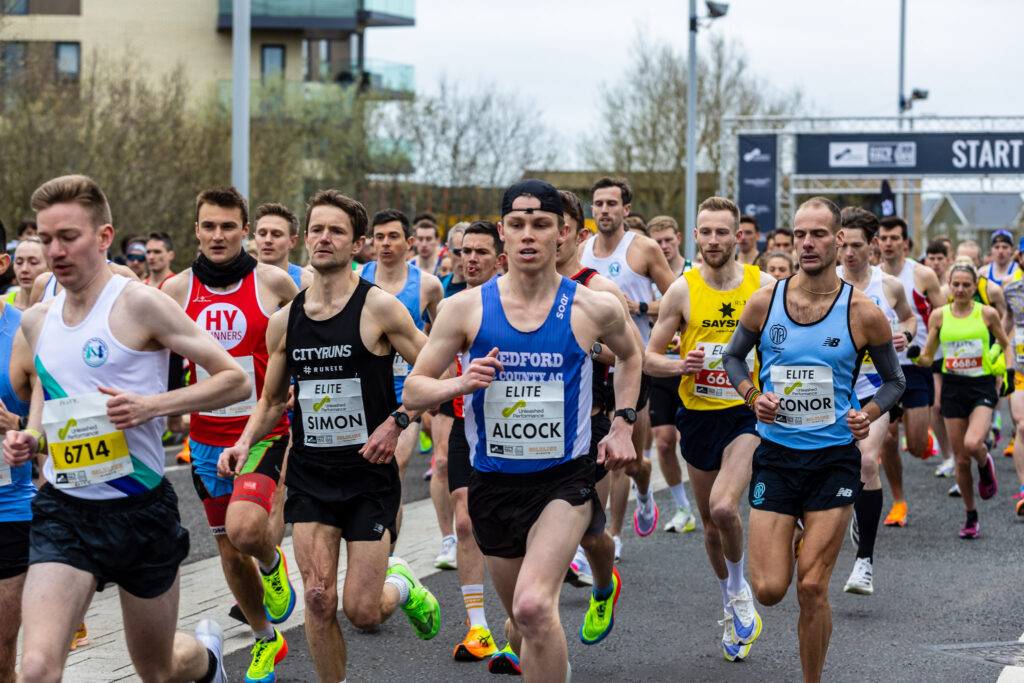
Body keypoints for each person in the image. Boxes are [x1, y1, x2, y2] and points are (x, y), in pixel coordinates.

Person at [4, 174, 251, 683]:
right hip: (64, 512)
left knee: (157, 670)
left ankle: (207, 660)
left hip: (140, 511)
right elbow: (51, 397)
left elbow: (234, 379)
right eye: (47, 238)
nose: (55, 250)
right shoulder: (36, 320)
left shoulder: (140, 303)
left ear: (102, 236)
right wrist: (31, 440)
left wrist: (152, 406)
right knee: (36, 669)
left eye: (68, 236)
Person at [403, 179, 642, 682]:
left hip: (564, 480)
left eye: (541, 224)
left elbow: (631, 355)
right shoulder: (464, 309)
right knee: (520, 623)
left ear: (562, 235)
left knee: (534, 608)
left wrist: (622, 424)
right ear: (503, 235)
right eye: (517, 224)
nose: (528, 234)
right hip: (494, 484)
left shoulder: (592, 307)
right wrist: (461, 383)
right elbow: (414, 391)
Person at [217, 189, 440, 682]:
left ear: (357, 242)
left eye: (336, 230)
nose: (323, 237)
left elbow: (434, 372)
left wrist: (398, 420)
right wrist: (242, 443)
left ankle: (400, 585)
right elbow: (272, 400)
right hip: (313, 474)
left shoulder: (380, 309)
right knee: (318, 599)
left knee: (362, 610)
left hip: (369, 475)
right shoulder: (285, 321)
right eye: (317, 228)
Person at [722, 196, 905, 683]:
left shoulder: (863, 313)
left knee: (811, 588)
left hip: (832, 462)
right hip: (778, 457)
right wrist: (751, 395)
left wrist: (868, 415)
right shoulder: (766, 301)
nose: (807, 242)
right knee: (768, 589)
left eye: (819, 234)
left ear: (839, 240)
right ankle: (798, 534)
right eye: (800, 233)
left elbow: (894, 382)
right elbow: (733, 358)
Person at [161, 186, 300, 683]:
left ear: (245, 229)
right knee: (227, 549)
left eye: (228, 226)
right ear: (196, 230)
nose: (218, 235)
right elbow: (158, 358)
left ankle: (271, 559)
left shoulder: (275, 281)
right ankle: (267, 638)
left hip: (263, 427)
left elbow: (309, 337)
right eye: (208, 226)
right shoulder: (175, 291)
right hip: (203, 438)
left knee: (246, 531)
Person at [647, 196, 775, 661]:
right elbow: (648, 356)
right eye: (707, 231)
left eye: (724, 231)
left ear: (739, 235)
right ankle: (730, 604)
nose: (715, 240)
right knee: (709, 525)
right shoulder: (682, 290)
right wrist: (680, 364)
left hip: (747, 413)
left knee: (725, 507)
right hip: (698, 413)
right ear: (695, 235)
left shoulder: (765, 286)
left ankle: (741, 594)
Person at [555, 189, 638, 648]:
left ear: (578, 234)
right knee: (533, 545)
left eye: (560, 226)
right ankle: (519, 632)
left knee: (590, 536)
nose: (550, 235)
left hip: (589, 427)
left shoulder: (599, 291)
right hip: (530, 436)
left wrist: (581, 343)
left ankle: (604, 587)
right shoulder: (516, 284)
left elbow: (629, 355)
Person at [581, 176, 675, 556]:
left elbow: (675, 299)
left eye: (611, 203)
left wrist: (640, 310)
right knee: (608, 456)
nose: (604, 210)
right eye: (599, 203)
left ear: (626, 209)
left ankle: (624, 517)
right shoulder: (581, 249)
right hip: (590, 364)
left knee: (629, 461)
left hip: (631, 362)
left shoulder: (644, 249)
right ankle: (609, 535)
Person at [836, 207, 916, 595]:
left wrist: (905, 336)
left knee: (868, 459)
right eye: (843, 245)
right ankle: (852, 511)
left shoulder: (889, 285)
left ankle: (864, 561)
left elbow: (909, 318)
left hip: (874, 387)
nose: (849, 253)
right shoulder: (822, 282)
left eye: (856, 245)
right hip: (830, 389)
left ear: (873, 246)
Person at [437, 219, 505, 662]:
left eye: (481, 252)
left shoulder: (521, 302)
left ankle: (526, 616)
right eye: (465, 252)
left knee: (512, 529)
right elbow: (427, 370)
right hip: (468, 426)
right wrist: (453, 381)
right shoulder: (454, 306)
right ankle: (478, 626)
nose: (471, 259)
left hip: (519, 432)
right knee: (465, 522)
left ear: (501, 259)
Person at [357, 209, 443, 539]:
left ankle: (388, 557)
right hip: (363, 393)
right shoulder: (357, 278)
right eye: (379, 237)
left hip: (407, 394)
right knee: (364, 476)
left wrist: (439, 383)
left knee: (393, 470)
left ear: (408, 242)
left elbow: (441, 337)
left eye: (393, 236)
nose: (385, 243)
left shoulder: (429, 285)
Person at [914, 259, 1012, 537]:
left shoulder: (987, 314)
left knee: (972, 444)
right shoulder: (939, 316)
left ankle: (985, 463)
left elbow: (1006, 345)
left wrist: (1010, 371)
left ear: (974, 287)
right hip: (953, 388)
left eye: (966, 285)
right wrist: (914, 355)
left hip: (981, 386)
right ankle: (971, 515)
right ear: (949, 286)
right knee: (960, 460)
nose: (959, 289)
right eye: (955, 284)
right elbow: (928, 356)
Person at [876, 216, 945, 527]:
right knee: (889, 439)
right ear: (876, 241)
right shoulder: (870, 276)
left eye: (894, 238)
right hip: (880, 367)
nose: (888, 243)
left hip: (915, 367)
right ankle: (899, 501)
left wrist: (929, 351)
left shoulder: (923, 274)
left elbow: (943, 316)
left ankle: (925, 441)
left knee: (916, 447)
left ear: (905, 242)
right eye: (883, 238)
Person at [646, 215, 697, 532]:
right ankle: (682, 507)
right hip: (660, 365)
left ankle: (707, 496)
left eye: (667, 240)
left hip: (694, 365)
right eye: (657, 242)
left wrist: (642, 306)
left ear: (678, 238)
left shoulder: (695, 272)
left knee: (693, 440)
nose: (663, 247)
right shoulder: (647, 274)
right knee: (664, 443)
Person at [0, 220, 32, 682]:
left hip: (9, 506)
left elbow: (63, 415)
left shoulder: (25, 329)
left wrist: (20, 426)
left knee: (3, 648)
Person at [254, 202, 313, 290]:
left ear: (292, 241)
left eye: (276, 235)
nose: (268, 240)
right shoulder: (238, 279)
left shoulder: (307, 283)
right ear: (255, 237)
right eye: (262, 234)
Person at [7, 238, 47, 309]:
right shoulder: (2, 305)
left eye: (33, 262)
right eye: (19, 262)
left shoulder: (60, 307)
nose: (24, 269)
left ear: (50, 266)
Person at [440, 223, 468, 298]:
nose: (463, 259)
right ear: (448, 249)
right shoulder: (438, 286)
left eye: (467, 252)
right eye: (458, 253)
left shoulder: (484, 290)